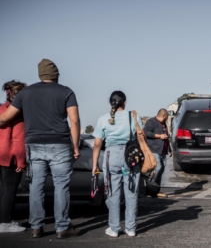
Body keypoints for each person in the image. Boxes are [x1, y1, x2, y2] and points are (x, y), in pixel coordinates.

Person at [0, 59, 81, 238]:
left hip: (34, 145)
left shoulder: (26, 93)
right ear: (56, 75)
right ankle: (62, 227)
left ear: (40, 74)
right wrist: (75, 146)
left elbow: (4, 118)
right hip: (59, 144)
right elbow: (74, 120)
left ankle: (36, 227)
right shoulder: (66, 92)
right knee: (61, 186)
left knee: (36, 186)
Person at [92, 91, 143, 238]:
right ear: (125, 102)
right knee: (131, 192)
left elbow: (96, 145)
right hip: (130, 155)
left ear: (110, 103)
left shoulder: (103, 119)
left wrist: (95, 164)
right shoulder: (133, 116)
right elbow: (141, 136)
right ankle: (131, 228)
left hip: (111, 155)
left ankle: (114, 228)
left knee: (113, 193)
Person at [0, 80, 27, 233]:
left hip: (0, 154)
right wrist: (21, 162)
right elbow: (18, 139)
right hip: (11, 156)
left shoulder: (2, 109)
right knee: (10, 190)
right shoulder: (19, 112)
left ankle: (3, 220)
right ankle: (5, 223)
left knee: (3, 190)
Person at [143, 108, 172, 197]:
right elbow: (146, 133)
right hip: (154, 150)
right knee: (158, 167)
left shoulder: (163, 124)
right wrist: (159, 136)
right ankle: (149, 187)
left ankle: (155, 191)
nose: (167, 119)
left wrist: (170, 149)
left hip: (163, 151)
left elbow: (166, 137)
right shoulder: (152, 122)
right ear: (164, 116)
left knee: (161, 169)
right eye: (167, 117)